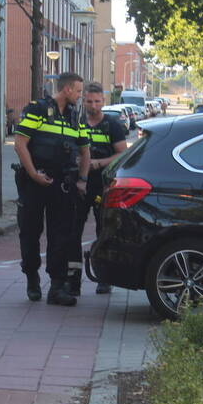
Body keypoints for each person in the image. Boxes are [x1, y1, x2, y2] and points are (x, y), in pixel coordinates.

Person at [13, 72, 90, 306]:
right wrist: (34, 173)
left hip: (62, 184)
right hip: (34, 183)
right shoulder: (37, 110)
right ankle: (32, 277)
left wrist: (82, 179)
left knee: (61, 236)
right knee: (30, 231)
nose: (80, 96)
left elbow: (85, 151)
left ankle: (56, 287)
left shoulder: (75, 118)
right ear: (67, 90)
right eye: (78, 91)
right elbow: (20, 143)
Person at [67, 82, 127, 295]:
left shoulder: (112, 125)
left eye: (98, 101)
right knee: (73, 230)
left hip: (103, 184)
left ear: (104, 101)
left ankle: (104, 278)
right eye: (90, 101)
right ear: (84, 101)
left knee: (104, 230)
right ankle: (73, 280)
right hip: (80, 183)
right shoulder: (77, 123)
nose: (94, 105)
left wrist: (99, 163)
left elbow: (122, 153)